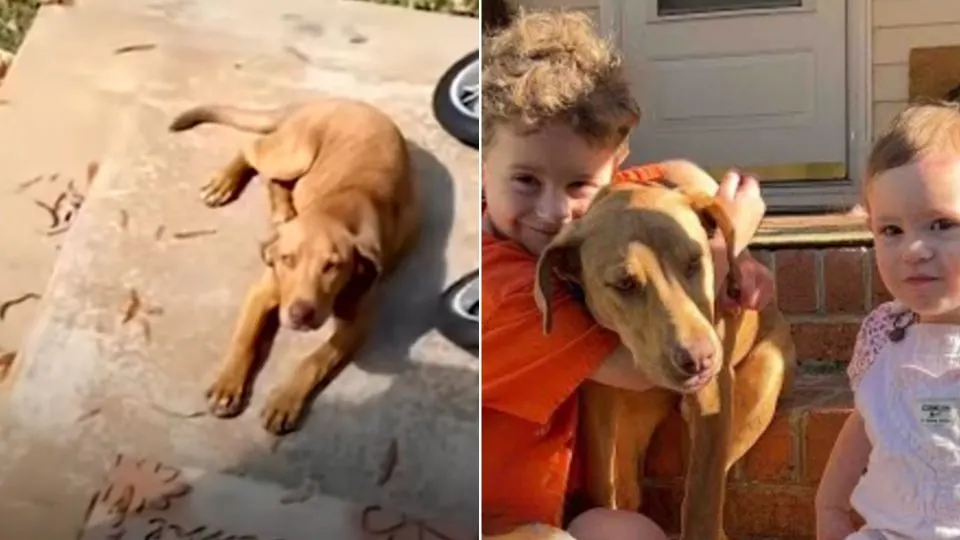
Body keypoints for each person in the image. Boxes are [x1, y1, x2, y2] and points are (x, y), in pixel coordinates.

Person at [481, 9, 776, 540]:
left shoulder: (591, 213)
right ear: (480, 165)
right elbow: (650, 367)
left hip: (543, 509)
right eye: (525, 181)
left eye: (579, 186)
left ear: (613, 166)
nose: (554, 213)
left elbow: (677, 172)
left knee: (633, 534)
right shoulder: (496, 286)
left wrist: (725, 232)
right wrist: (726, 255)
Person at [815, 101, 960, 540]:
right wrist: (831, 507)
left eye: (941, 224)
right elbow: (867, 418)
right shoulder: (884, 334)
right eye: (891, 230)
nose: (914, 249)